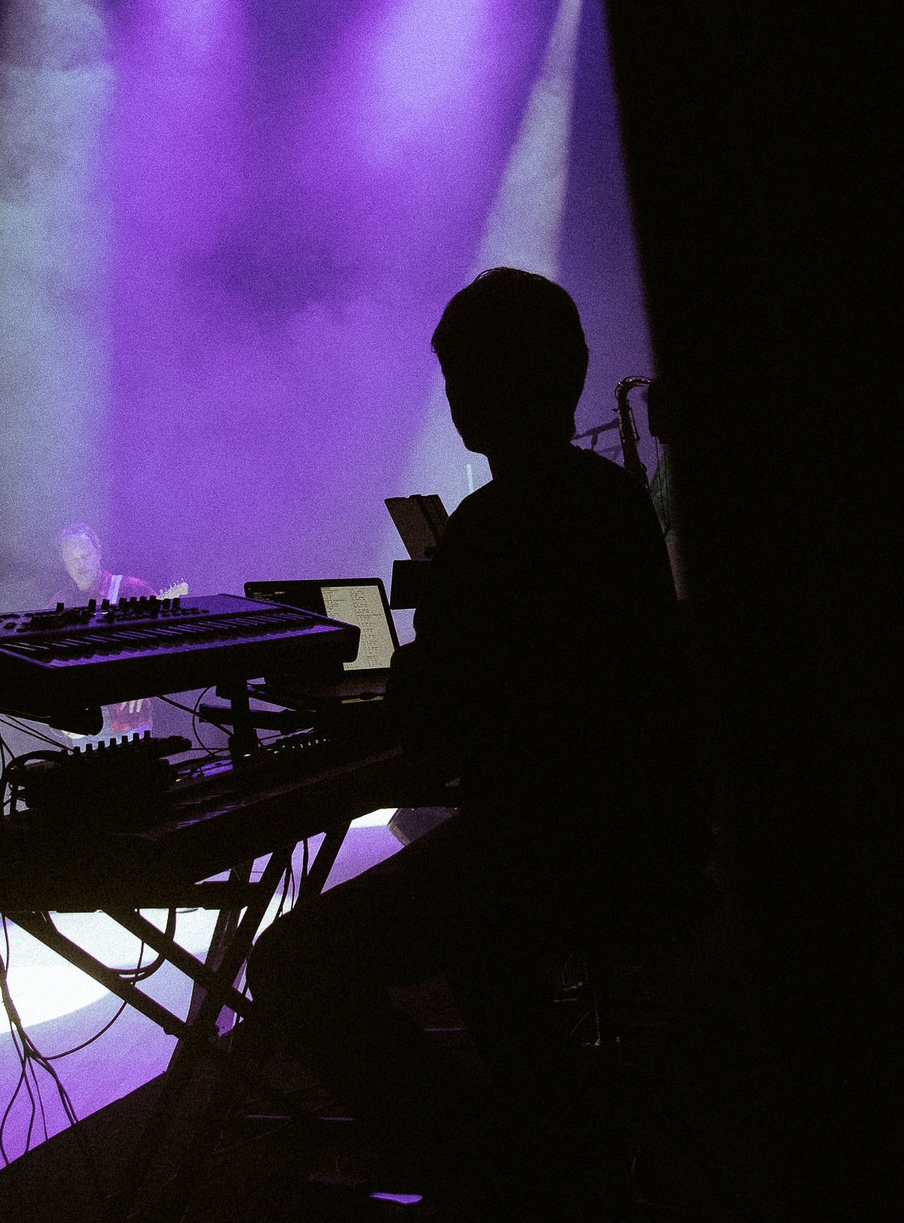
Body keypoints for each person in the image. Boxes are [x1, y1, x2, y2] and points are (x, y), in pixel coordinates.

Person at [246, 269, 710, 1202]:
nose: (452, 396)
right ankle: (559, 1146)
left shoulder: (493, 525)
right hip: (644, 841)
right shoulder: (614, 499)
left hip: (550, 852)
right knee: (479, 928)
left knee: (291, 964)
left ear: (489, 385)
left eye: (459, 375)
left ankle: (488, 1174)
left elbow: (428, 718)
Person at [49, 523, 153, 736]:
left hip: (126, 717)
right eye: (73, 559)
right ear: (65, 564)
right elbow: (50, 660)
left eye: (86, 555)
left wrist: (143, 680)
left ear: (98, 554)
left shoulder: (130, 589)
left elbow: (166, 639)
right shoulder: (59, 603)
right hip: (80, 720)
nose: (81, 564)